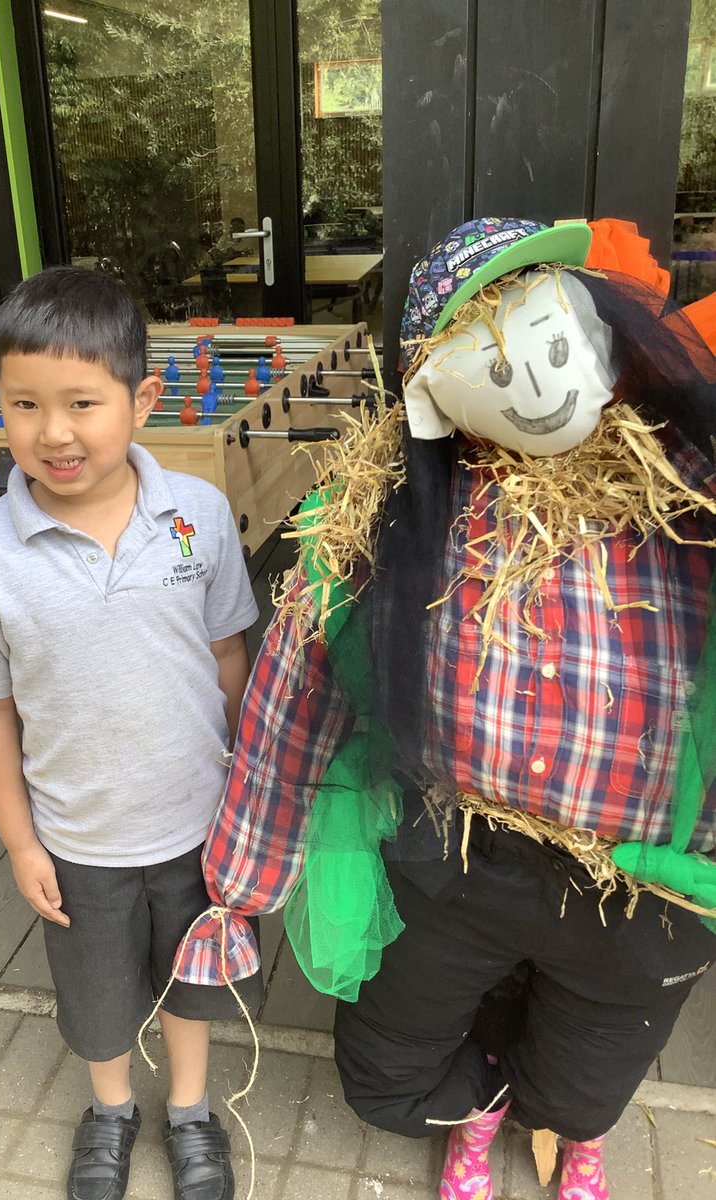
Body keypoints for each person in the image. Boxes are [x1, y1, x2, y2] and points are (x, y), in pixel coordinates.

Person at [174, 218, 715, 1200]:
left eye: (549, 342)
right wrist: (239, 890)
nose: (535, 385)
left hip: (645, 889)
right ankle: (484, 1102)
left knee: (582, 1096)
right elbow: (295, 695)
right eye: (490, 366)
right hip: (459, 855)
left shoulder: (690, 478)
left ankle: (573, 1130)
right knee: (386, 1082)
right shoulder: (393, 508)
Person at [0, 266, 262, 1200]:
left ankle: (190, 1110)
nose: (55, 432)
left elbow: (227, 652)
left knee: (193, 982)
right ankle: (111, 1109)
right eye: (25, 404)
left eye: (82, 402)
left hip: (200, 824)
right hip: (78, 841)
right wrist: (19, 841)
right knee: (99, 998)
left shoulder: (197, 515)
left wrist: (250, 785)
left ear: (141, 400)